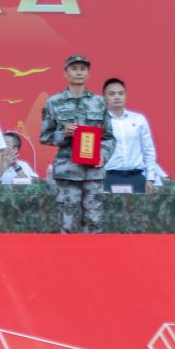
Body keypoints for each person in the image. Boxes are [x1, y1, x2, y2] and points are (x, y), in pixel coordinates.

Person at [38, 54, 114, 233]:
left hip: (93, 172)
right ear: (65, 73)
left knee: (94, 221)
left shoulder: (99, 103)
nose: (79, 73)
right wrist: (63, 134)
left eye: (83, 69)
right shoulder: (54, 102)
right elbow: (44, 136)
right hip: (67, 172)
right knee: (68, 222)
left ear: (88, 74)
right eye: (74, 69)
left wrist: (103, 155)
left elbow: (109, 137)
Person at [101, 78, 168, 192]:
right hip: (109, 177)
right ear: (104, 97)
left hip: (136, 177)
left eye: (121, 93)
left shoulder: (138, 119)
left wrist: (150, 178)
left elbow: (148, 151)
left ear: (125, 96)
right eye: (112, 94)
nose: (117, 97)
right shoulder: (99, 121)